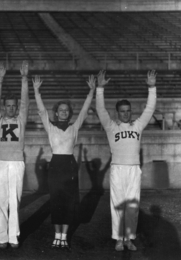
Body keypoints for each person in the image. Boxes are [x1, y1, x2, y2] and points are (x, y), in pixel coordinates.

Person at [95, 70, 157, 251]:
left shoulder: (137, 125)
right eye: (122, 111)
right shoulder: (111, 127)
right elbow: (100, 110)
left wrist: (151, 87)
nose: (126, 114)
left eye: (128, 111)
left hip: (133, 169)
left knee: (132, 204)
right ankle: (118, 239)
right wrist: (99, 89)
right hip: (117, 169)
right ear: (117, 112)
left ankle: (129, 238)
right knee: (117, 204)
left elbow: (149, 109)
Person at [33, 74, 95, 251]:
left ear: (69, 113)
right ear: (56, 112)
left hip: (69, 166)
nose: (63, 112)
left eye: (66, 110)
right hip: (55, 166)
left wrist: (91, 91)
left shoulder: (74, 128)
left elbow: (84, 111)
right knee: (56, 201)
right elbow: (42, 110)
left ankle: (64, 236)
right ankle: (56, 235)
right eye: (60, 110)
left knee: (68, 201)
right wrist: (37, 91)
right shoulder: (50, 127)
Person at [0, 61, 29, 249]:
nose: (11, 109)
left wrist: (24, 79)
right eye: (8, 106)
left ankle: (14, 236)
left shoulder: (21, 120)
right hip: (1, 162)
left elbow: (25, 102)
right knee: (2, 200)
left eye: (14, 106)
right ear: (4, 107)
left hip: (17, 163)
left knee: (15, 200)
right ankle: (2, 236)